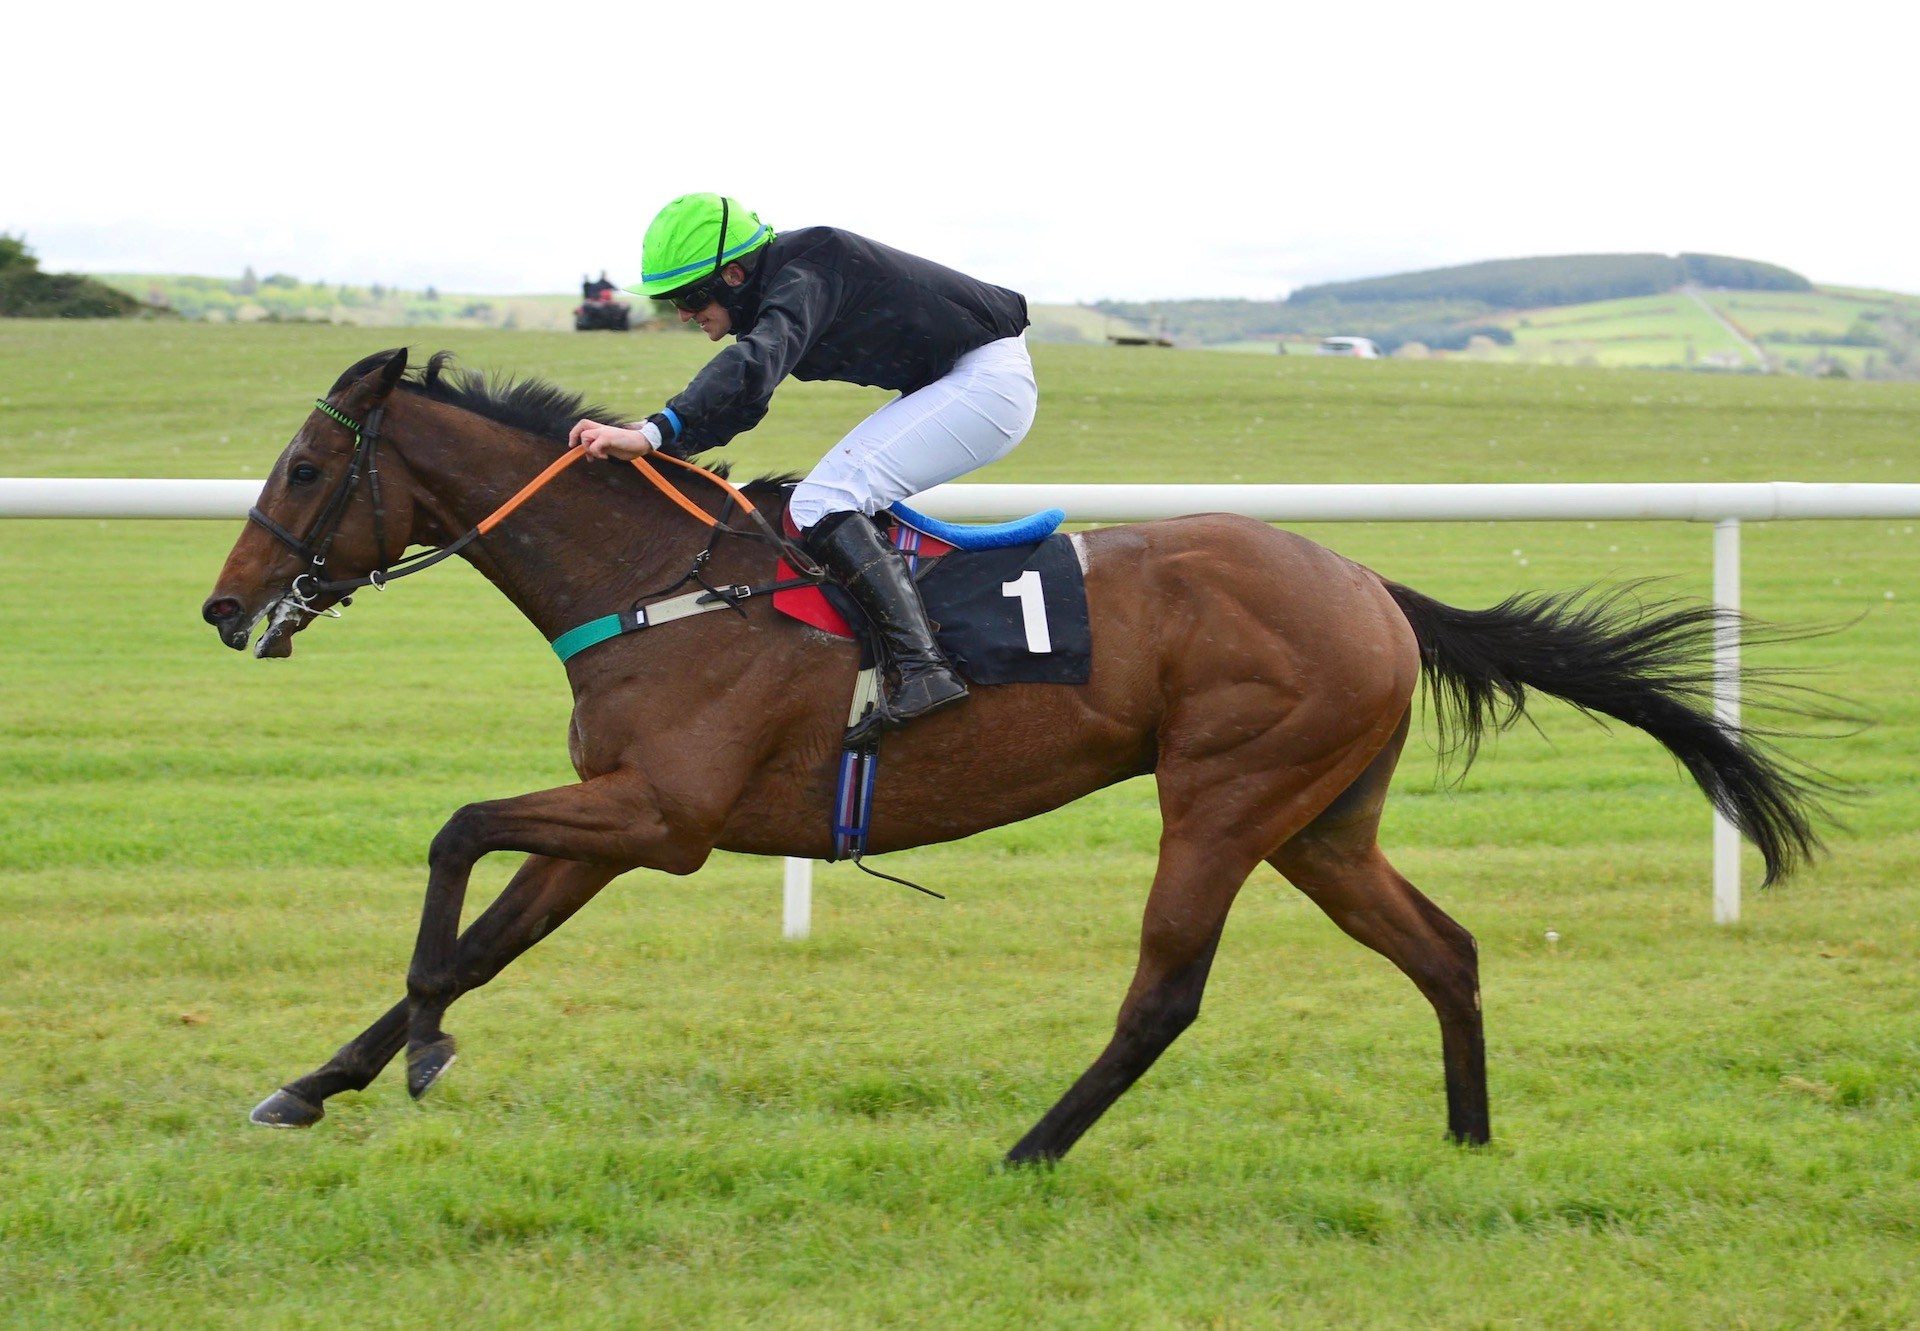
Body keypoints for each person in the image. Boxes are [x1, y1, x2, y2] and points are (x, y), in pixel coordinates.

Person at [568, 194, 1036, 742]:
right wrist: (657, 450)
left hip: (985, 385)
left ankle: (923, 669)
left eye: (689, 297)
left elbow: (757, 361)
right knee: (826, 499)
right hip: (957, 380)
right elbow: (746, 399)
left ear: (736, 274)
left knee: (823, 501)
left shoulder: (810, 265)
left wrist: (653, 431)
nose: (683, 314)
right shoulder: (787, 283)